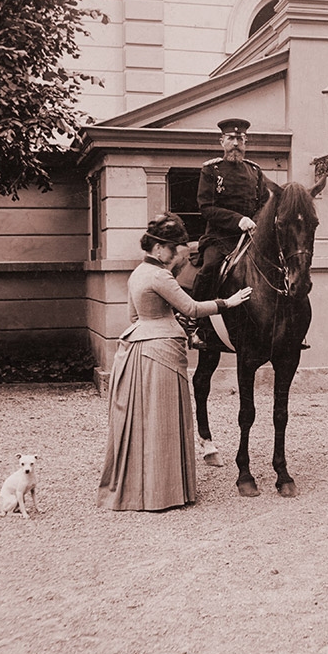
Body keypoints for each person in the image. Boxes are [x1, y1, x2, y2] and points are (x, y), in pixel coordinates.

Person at [97, 212, 251, 511]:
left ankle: (142, 487)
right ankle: (164, 492)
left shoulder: (137, 273)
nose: (177, 255)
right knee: (165, 420)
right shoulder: (160, 275)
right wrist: (227, 303)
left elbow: (134, 316)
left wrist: (157, 321)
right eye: (171, 249)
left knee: (146, 420)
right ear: (158, 248)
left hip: (139, 349)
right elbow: (191, 308)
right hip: (163, 351)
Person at [192, 118, 277, 298]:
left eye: (240, 139)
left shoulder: (255, 171)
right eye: (231, 138)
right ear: (222, 141)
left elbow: (264, 204)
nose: (236, 143)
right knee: (210, 267)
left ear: (246, 142)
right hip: (220, 238)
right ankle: (196, 311)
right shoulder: (212, 170)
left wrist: (255, 223)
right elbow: (206, 207)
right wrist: (239, 220)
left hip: (252, 237)